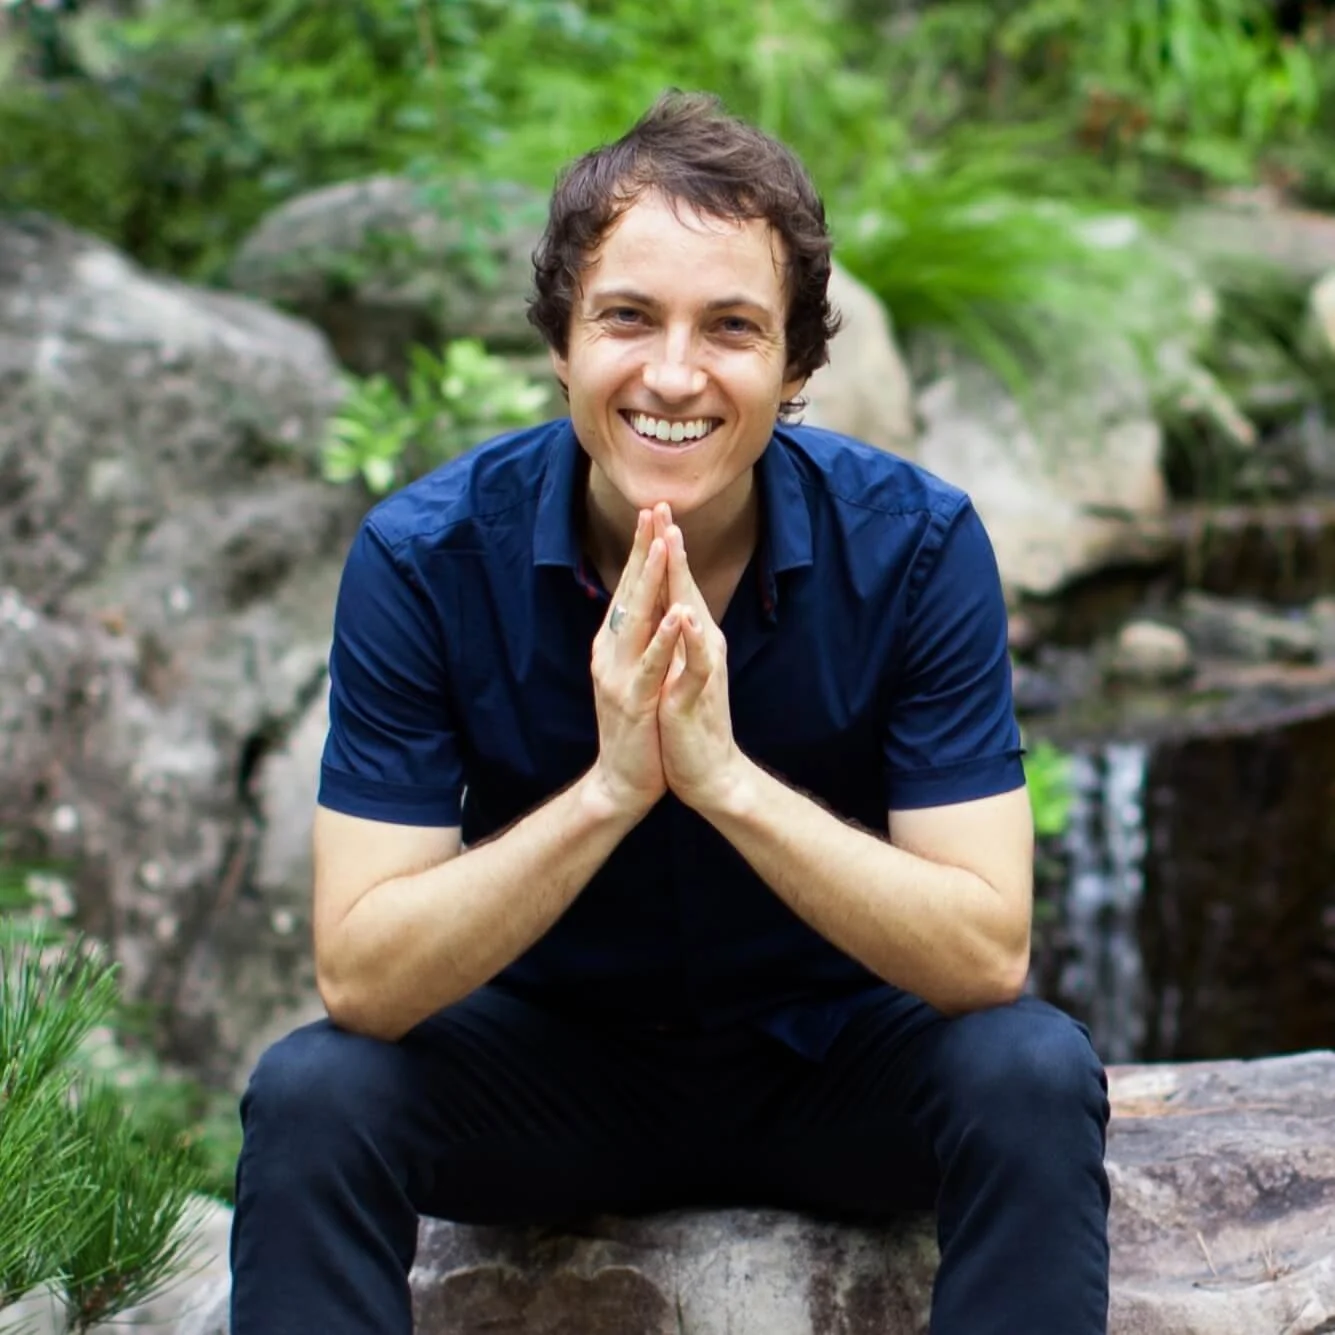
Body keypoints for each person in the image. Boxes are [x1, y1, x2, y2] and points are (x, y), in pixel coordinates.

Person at [229, 91, 1110, 1334]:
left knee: (1031, 1069)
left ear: (796, 365)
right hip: (545, 1091)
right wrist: (610, 791)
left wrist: (726, 780)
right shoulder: (426, 559)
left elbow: (984, 954)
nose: (674, 373)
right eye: (627, 318)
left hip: (837, 1082)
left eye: (733, 328)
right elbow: (363, 977)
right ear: (562, 340)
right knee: (315, 1091)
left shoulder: (914, 547)